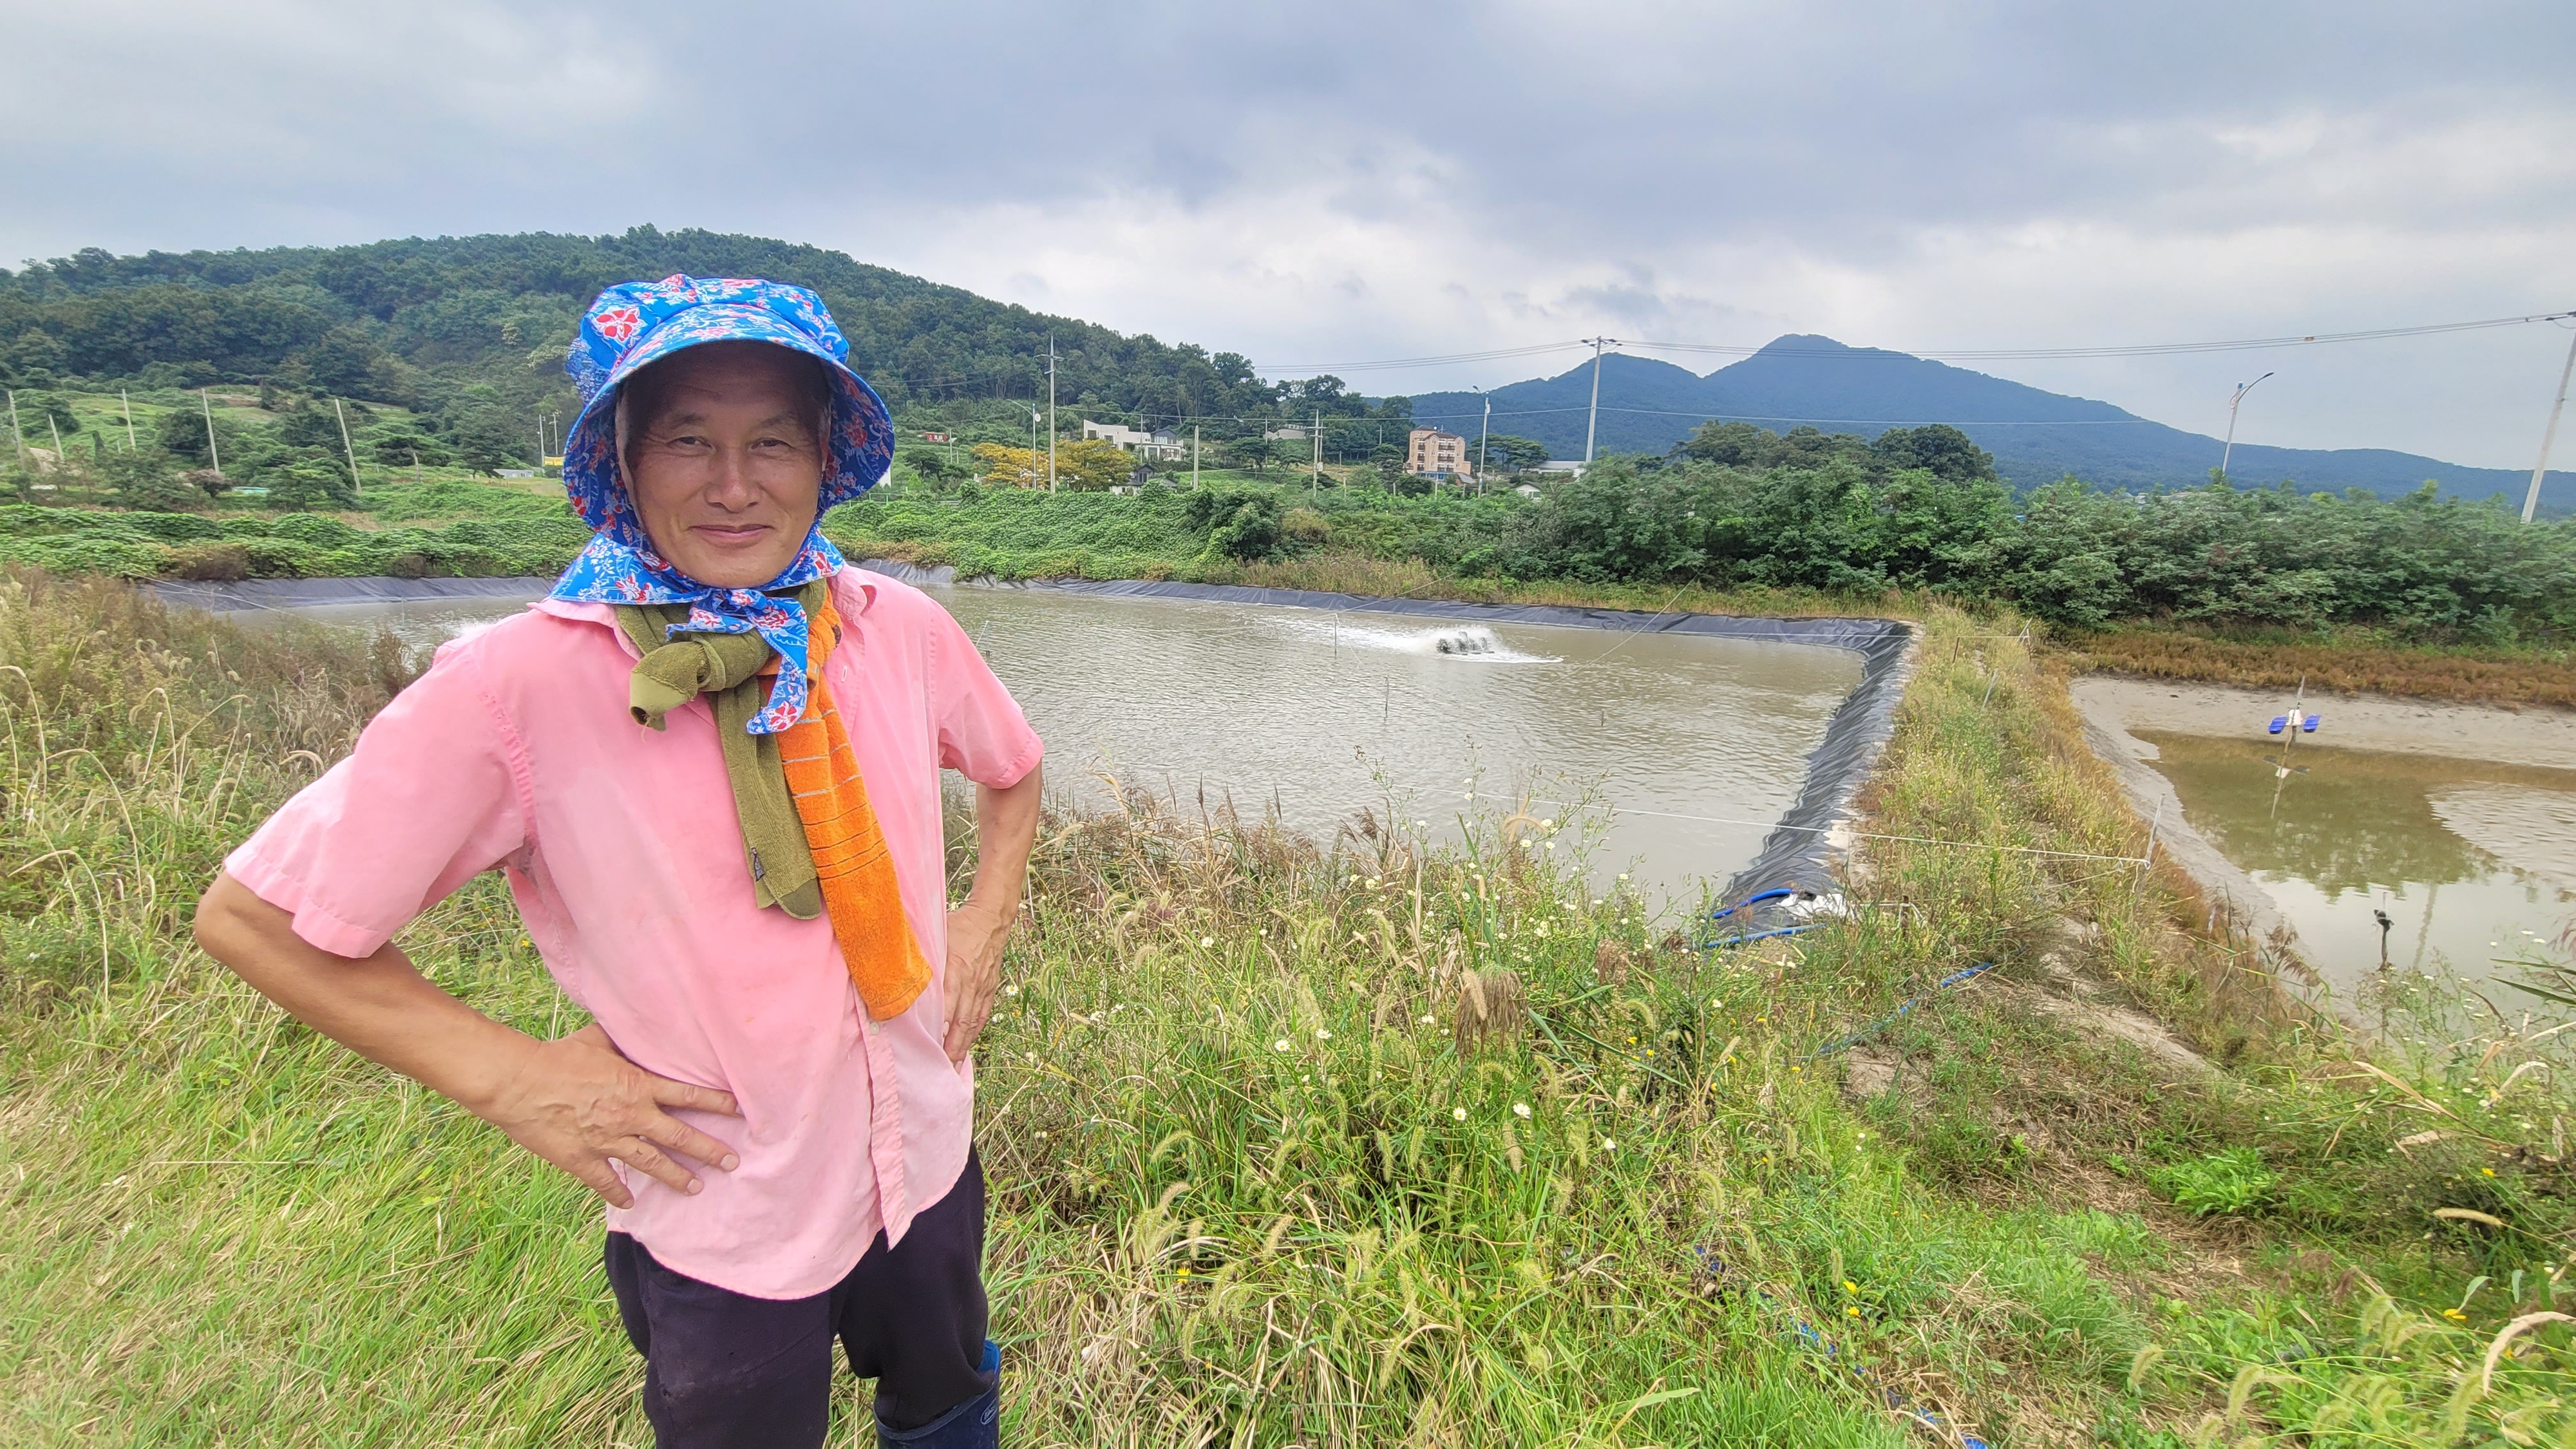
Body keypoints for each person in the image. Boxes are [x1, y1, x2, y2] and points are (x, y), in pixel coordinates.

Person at [193, 275, 1043, 1449]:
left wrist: (986, 916)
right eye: (689, 438)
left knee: (947, 1406)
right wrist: (516, 1077)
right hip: (724, 1200)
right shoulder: (519, 683)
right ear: (624, 462)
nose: (734, 482)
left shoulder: (894, 624)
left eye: (773, 442)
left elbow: (1011, 765)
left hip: (924, 1142)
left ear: (828, 458)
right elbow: (254, 918)